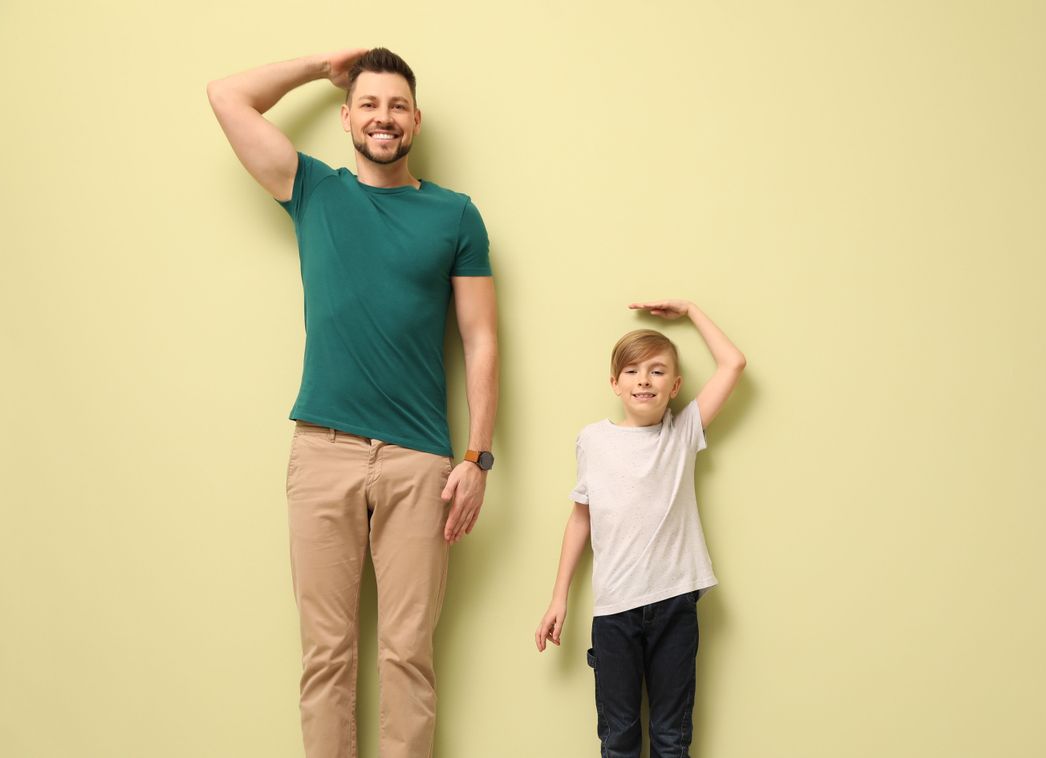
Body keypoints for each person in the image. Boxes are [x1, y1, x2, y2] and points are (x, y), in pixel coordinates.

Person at [207, 48, 498, 758]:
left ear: (416, 120)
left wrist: (477, 458)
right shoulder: (314, 189)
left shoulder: (454, 214)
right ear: (346, 118)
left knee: (407, 656)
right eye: (369, 104)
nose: (383, 118)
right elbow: (225, 96)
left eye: (397, 106)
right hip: (322, 451)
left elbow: (481, 338)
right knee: (326, 656)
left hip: (419, 460)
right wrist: (319, 66)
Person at [535, 300, 745, 757]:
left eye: (656, 370)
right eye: (631, 371)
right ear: (615, 382)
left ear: (675, 386)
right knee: (619, 738)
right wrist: (559, 597)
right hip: (614, 610)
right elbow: (580, 519)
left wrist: (690, 310)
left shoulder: (683, 431)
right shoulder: (593, 440)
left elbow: (734, 363)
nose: (644, 379)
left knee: (671, 740)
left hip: (674, 601)